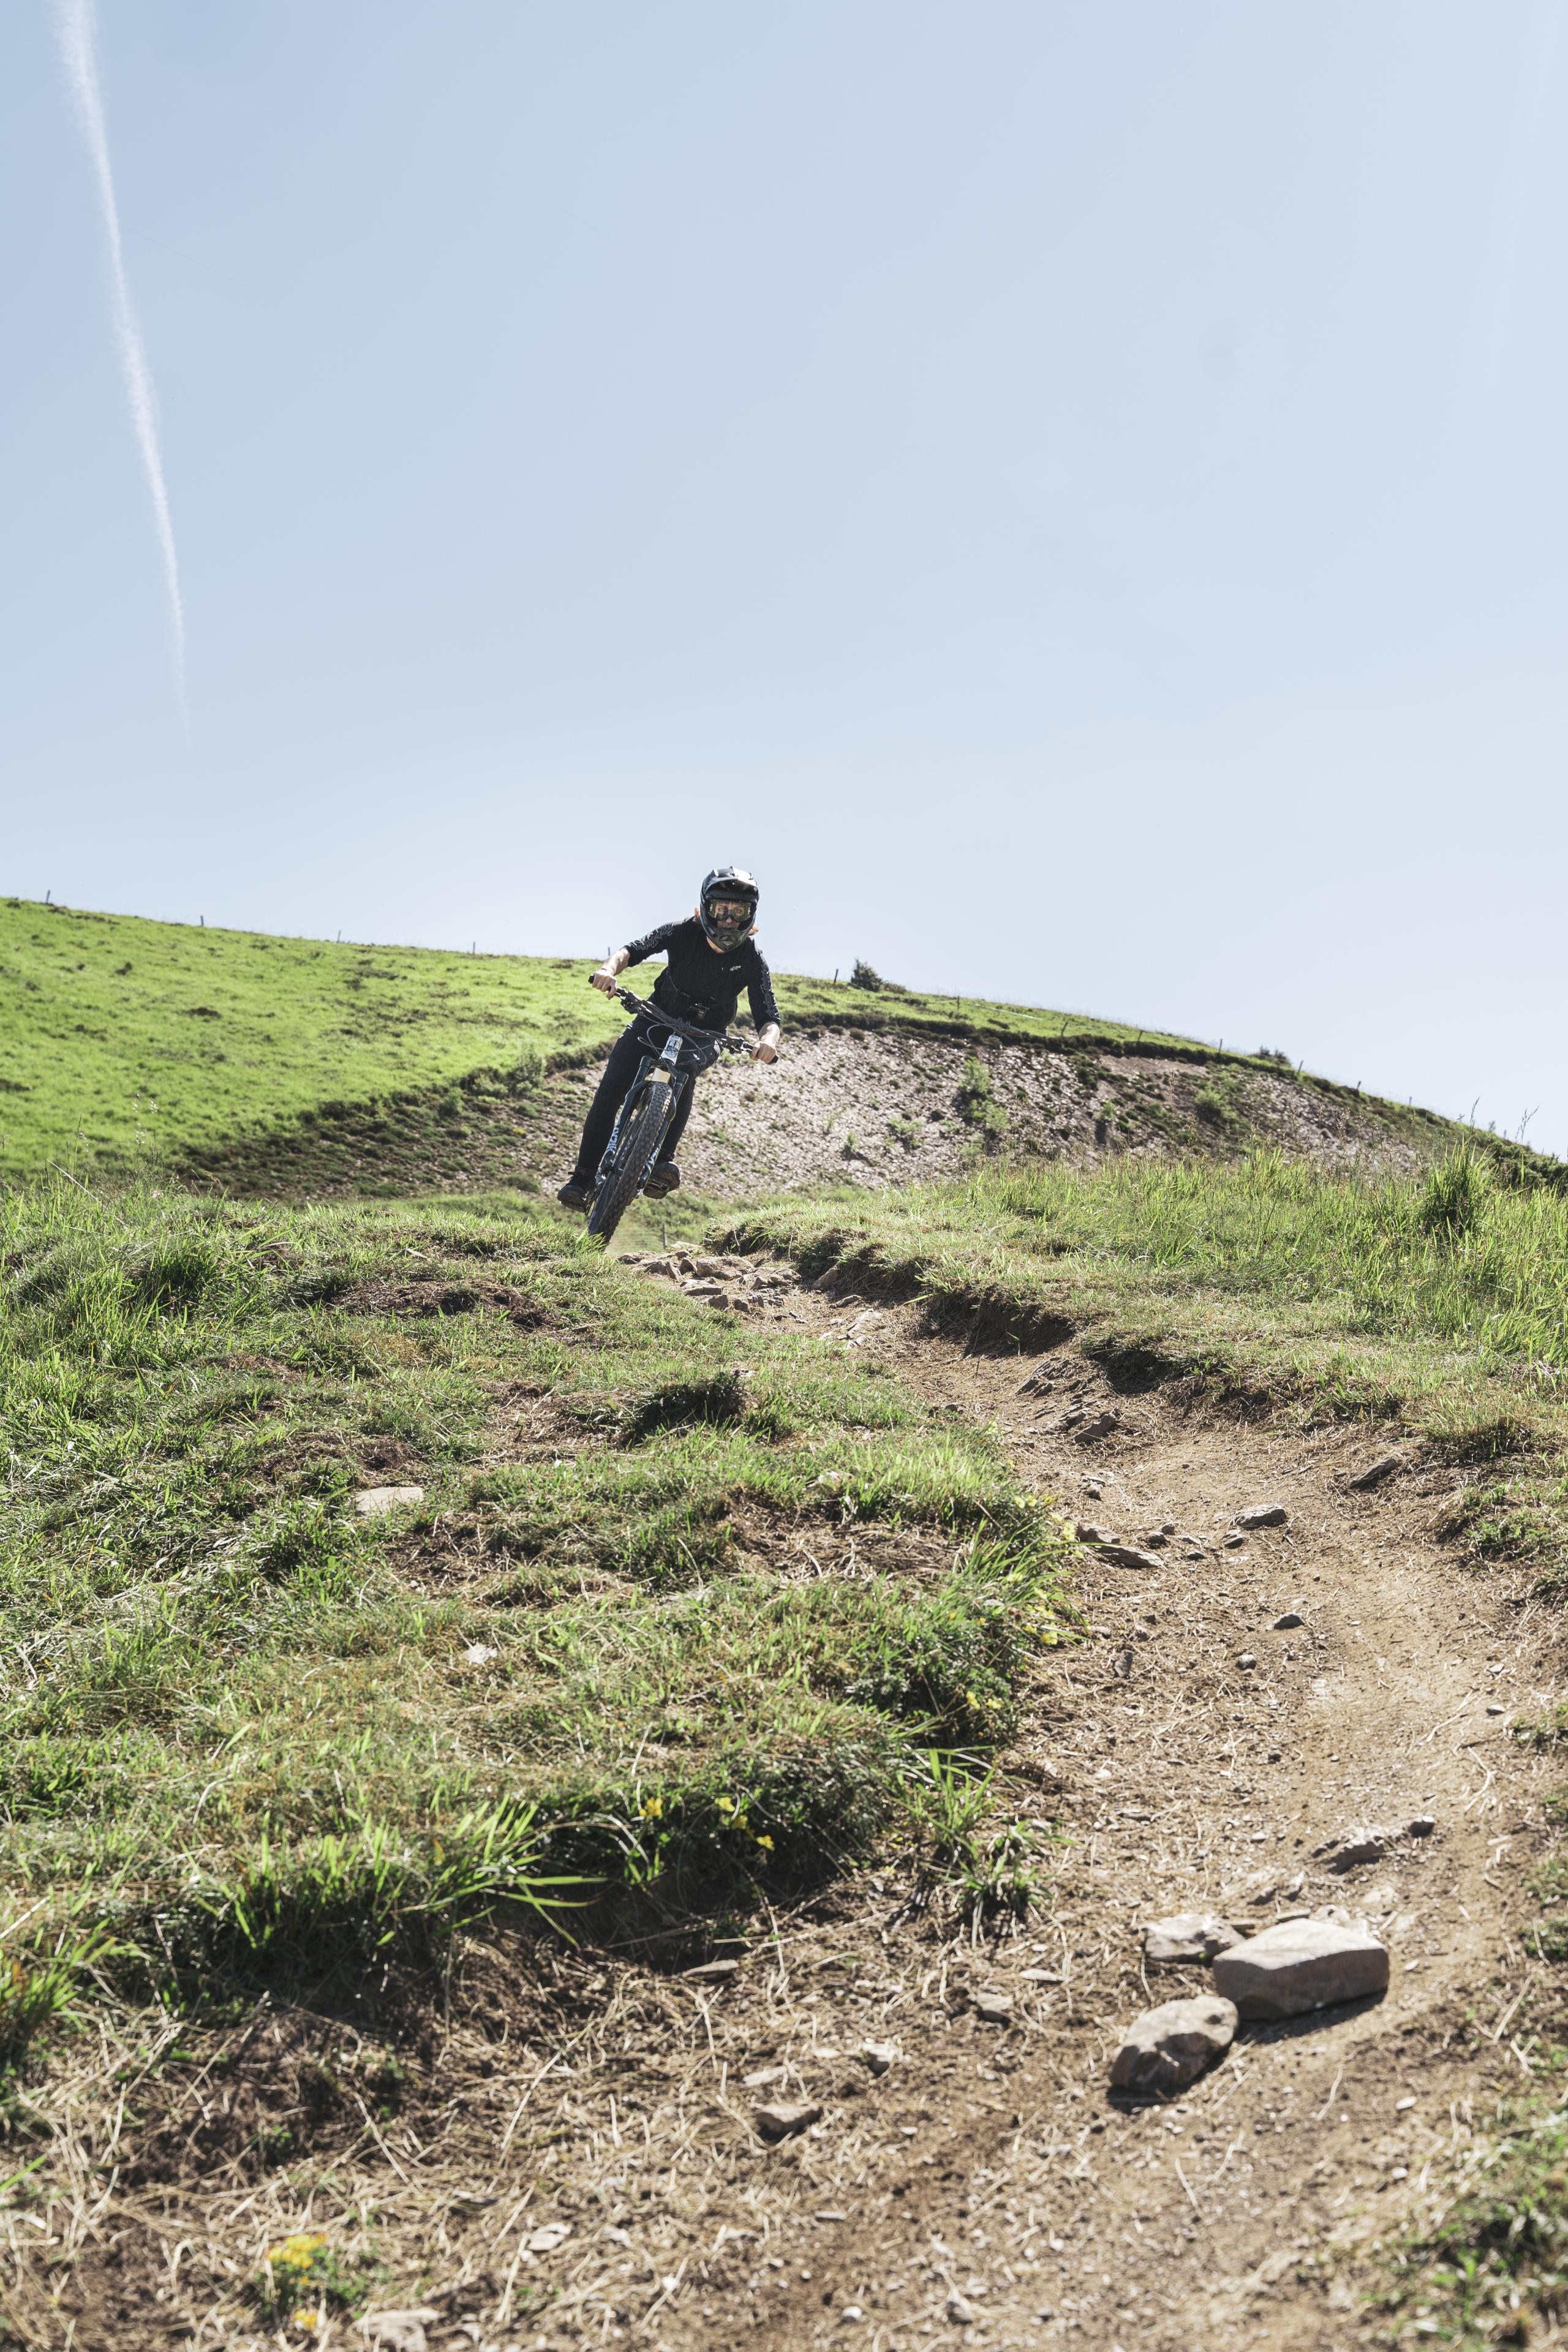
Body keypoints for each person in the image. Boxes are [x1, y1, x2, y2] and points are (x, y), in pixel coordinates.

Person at [556, 867, 782, 1210]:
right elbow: (632, 950)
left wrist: (768, 1042)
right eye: (722, 909)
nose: (728, 920)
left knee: (685, 1072)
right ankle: (582, 1179)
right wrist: (607, 971)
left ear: (751, 915)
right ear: (706, 908)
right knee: (609, 1094)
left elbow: (769, 1015)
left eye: (739, 912)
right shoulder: (681, 932)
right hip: (654, 1020)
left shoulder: (751, 958)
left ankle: (664, 1162)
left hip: (705, 1036)